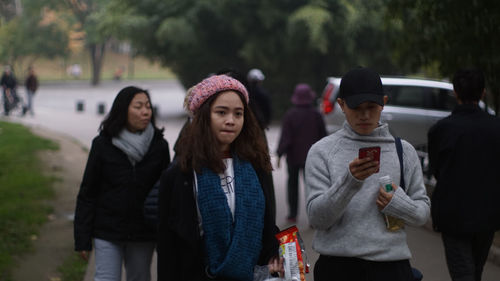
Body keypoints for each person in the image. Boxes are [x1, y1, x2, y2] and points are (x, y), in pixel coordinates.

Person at [305, 67, 430, 281]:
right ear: (341, 105)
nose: (364, 115)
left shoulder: (404, 152)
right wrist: (349, 182)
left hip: (392, 267)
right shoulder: (322, 151)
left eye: (371, 107)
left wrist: (398, 203)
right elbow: (318, 219)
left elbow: (422, 214)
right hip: (337, 268)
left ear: (384, 102)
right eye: (356, 107)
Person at [157, 74, 283, 281]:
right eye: (221, 112)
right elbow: (167, 245)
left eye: (238, 113)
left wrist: (275, 252)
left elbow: (266, 223)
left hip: (252, 274)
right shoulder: (180, 174)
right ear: (204, 116)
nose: (231, 121)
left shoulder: (255, 165)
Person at [74, 86, 171, 281]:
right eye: (138, 106)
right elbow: (88, 193)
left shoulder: (159, 146)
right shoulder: (102, 145)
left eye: (148, 106)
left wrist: (165, 236)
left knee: (140, 277)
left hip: (143, 232)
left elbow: (166, 194)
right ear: (123, 109)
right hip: (108, 229)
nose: (145, 112)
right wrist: (82, 238)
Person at [428, 68, 500, 281]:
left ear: (455, 93)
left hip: (453, 215)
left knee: (463, 274)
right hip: (488, 213)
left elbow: (436, 170)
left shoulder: (441, 129)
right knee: (475, 271)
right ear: (483, 93)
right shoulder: (496, 128)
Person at [277, 83, 327, 222]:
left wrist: (280, 154)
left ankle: (292, 215)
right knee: (312, 188)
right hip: (312, 158)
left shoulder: (290, 115)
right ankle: (313, 216)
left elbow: (285, 137)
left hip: (293, 157)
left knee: (292, 186)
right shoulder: (316, 114)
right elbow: (323, 135)